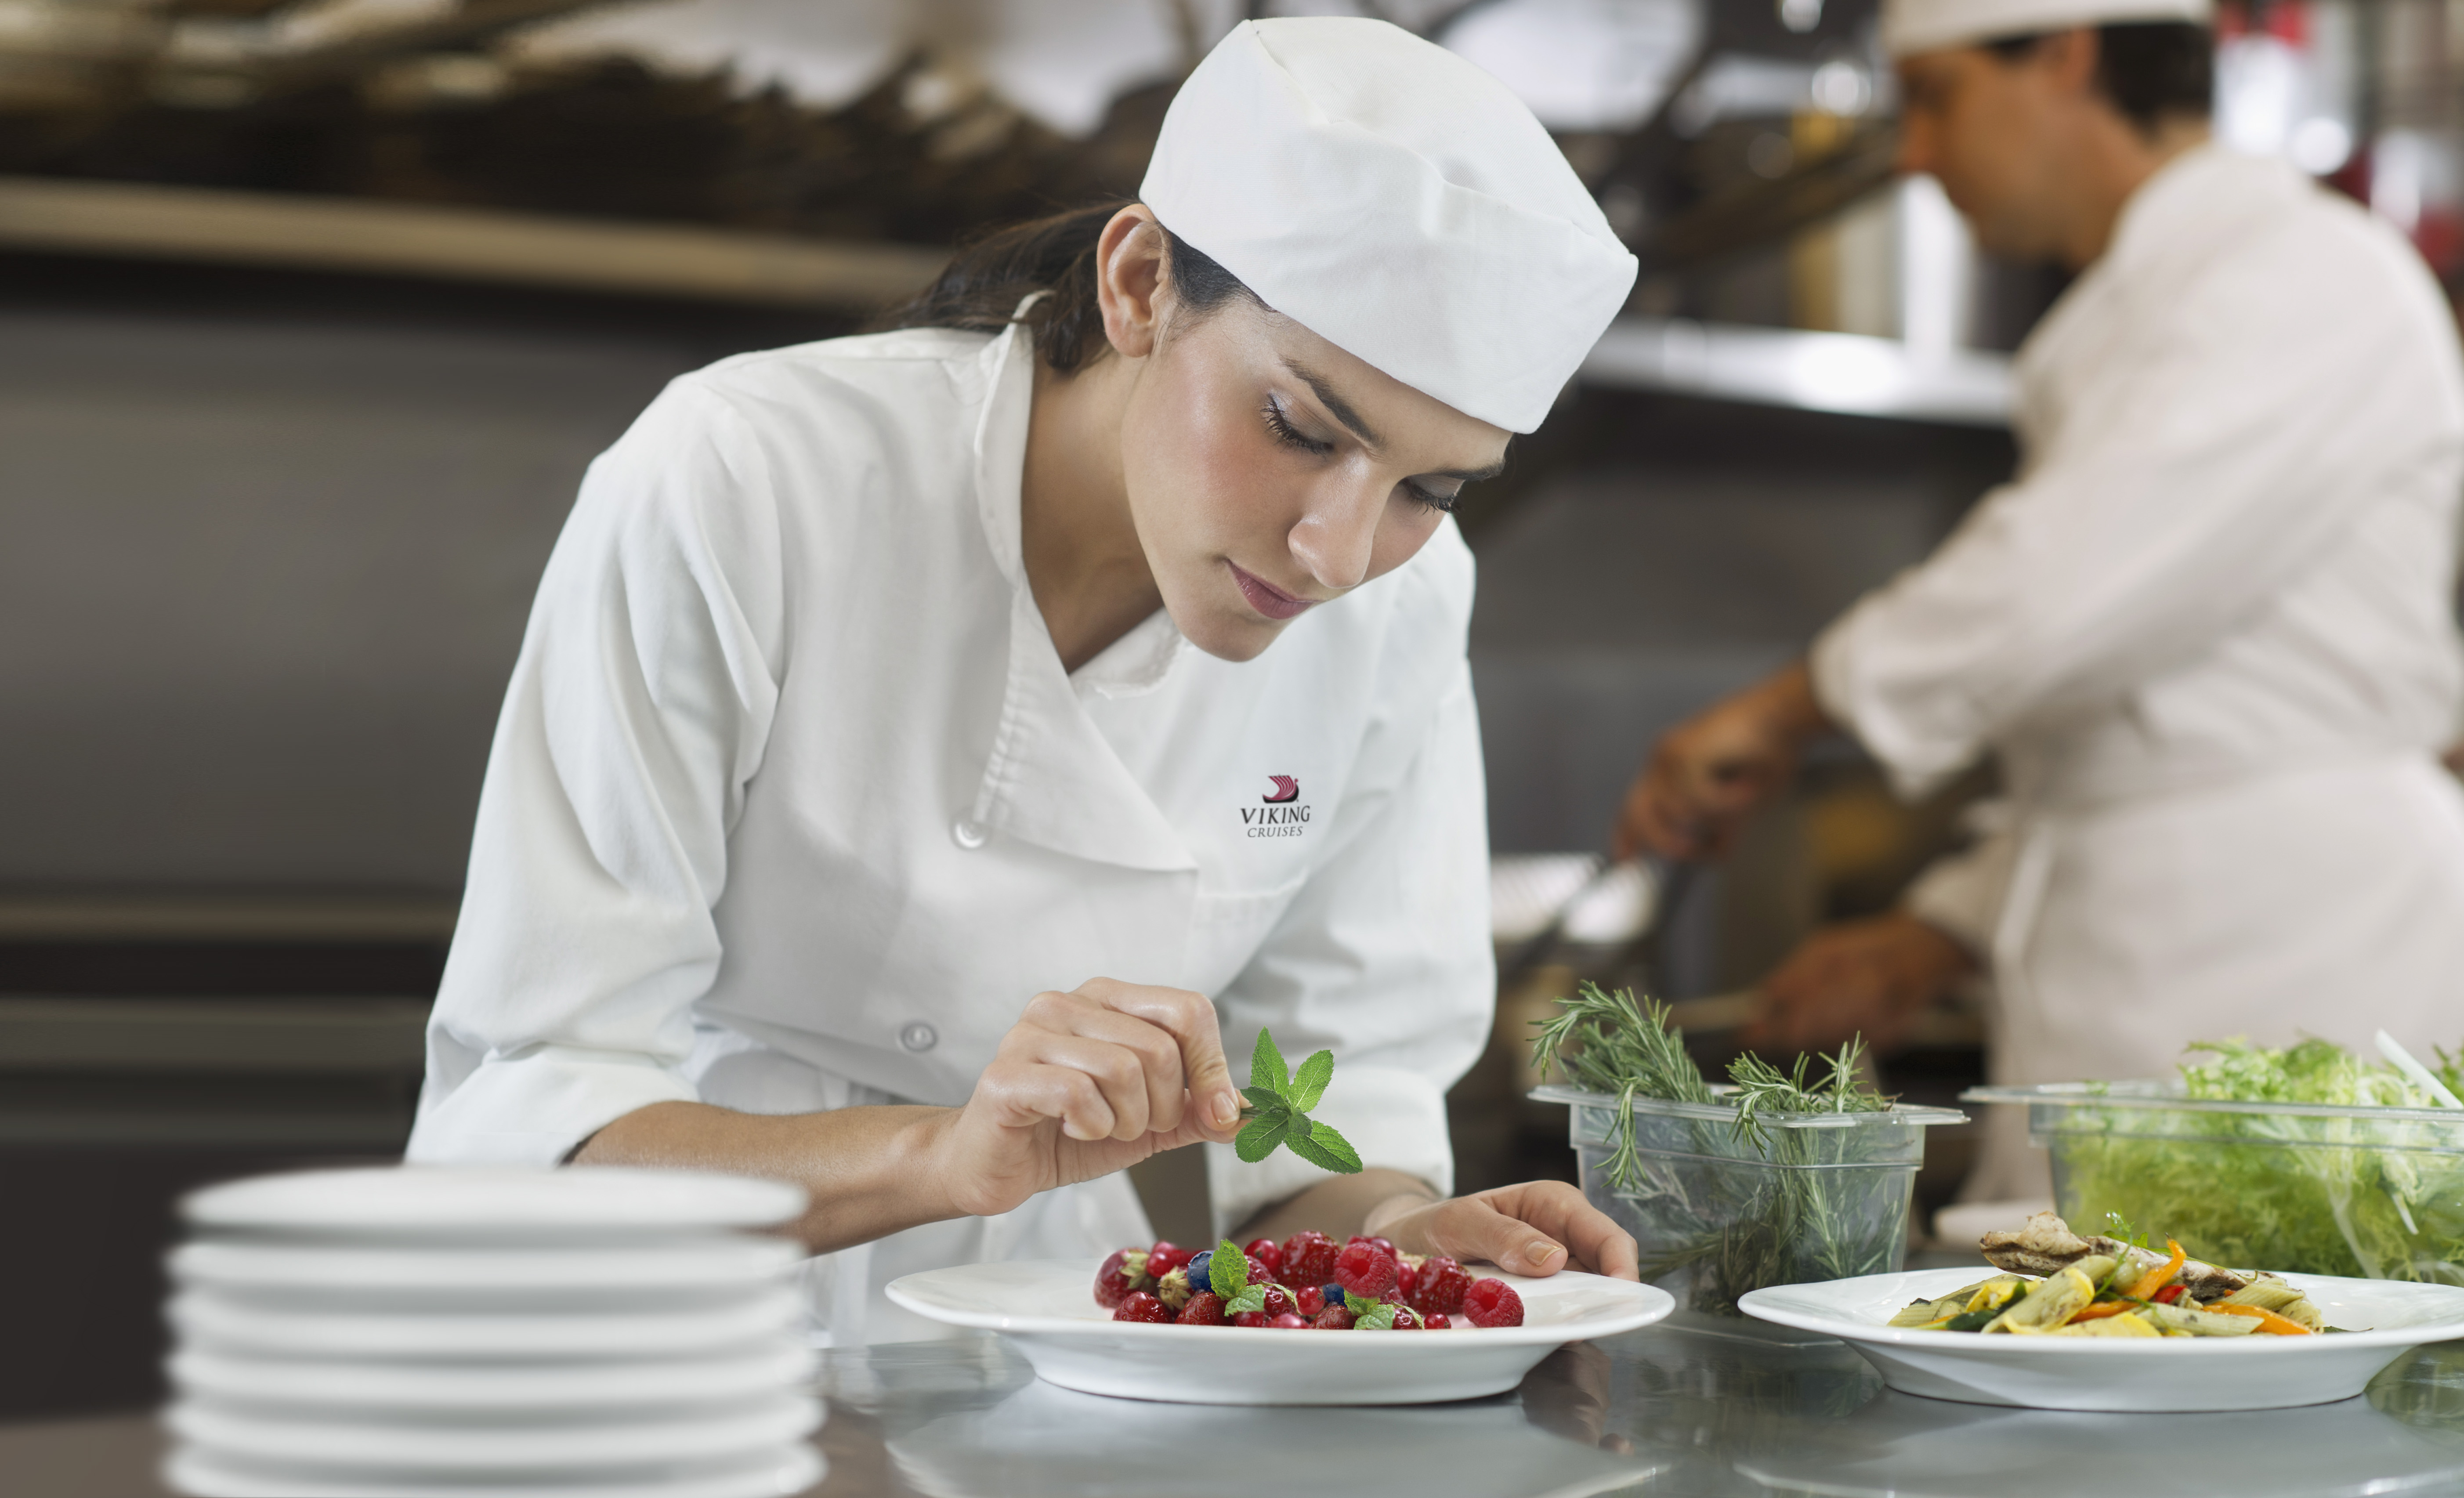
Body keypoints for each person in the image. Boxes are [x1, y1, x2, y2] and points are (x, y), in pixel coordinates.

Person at [407, 17, 1644, 1343]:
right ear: (1140, 283)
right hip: (654, 1343)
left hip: (1052, 1359)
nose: (1339, 554)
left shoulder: (1403, 602)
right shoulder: (747, 477)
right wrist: (942, 1156)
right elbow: (535, 1114)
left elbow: (1327, 1119)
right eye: (1299, 426)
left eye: (1431, 489)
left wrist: (1397, 1235)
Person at [1615, 0, 2464, 1200]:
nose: (1915, 154)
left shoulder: (2300, 271)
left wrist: (1784, 709)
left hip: (2314, 967)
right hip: (2169, 964)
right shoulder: (2159, 298)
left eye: (1937, 98)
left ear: (2066, 55)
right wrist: (1945, 928)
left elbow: (2052, 592)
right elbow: (2142, 722)